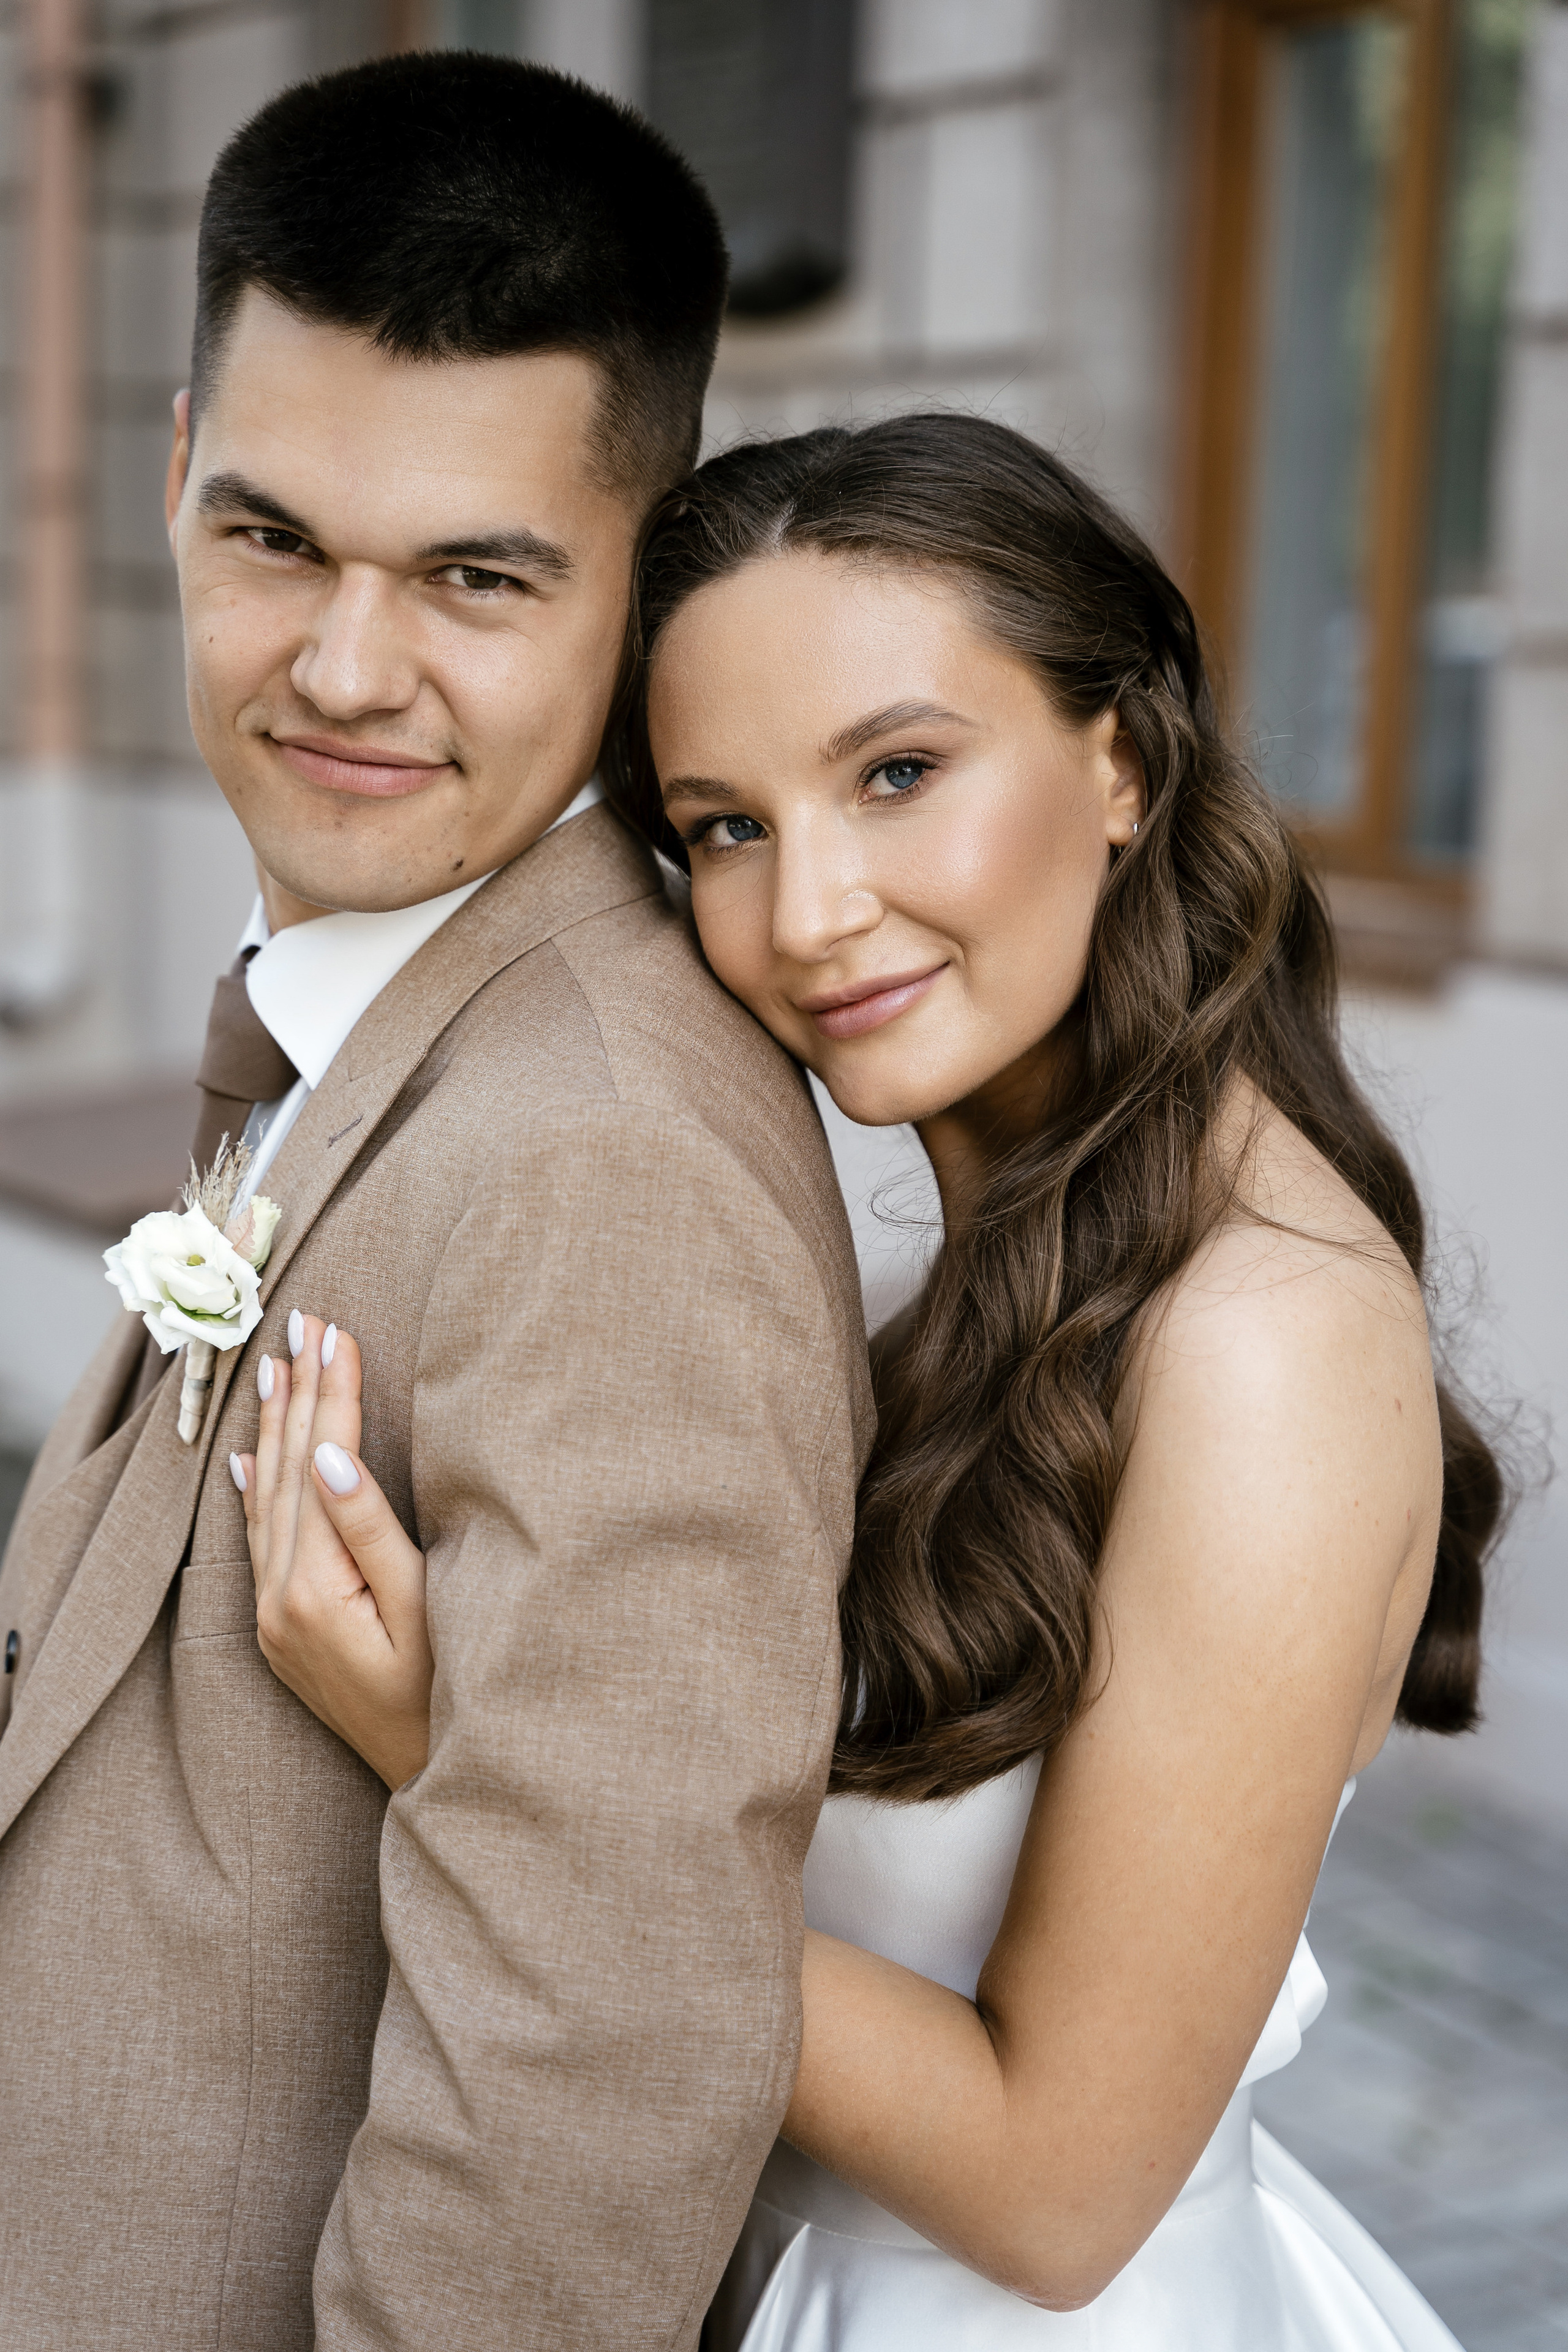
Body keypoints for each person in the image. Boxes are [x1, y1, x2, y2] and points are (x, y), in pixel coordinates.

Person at [249, 416, 1501, 2350]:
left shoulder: (1261, 1344)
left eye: (898, 774)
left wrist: (485, 1765)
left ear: (1125, 763)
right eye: (726, 826)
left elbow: (1059, 2187)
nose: (809, 911)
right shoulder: (965, 1281)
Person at [0, 57, 873, 2352]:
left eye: (476, 576)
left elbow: (594, 2070)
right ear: (178, 474)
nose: (348, 669)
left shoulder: (613, 1149)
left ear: (643, 578)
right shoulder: (387, 1003)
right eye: (275, 536)